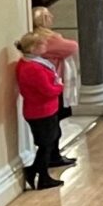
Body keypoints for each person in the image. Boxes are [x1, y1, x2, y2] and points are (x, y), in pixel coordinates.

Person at [15, 30, 66, 190]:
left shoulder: (33, 63)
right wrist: (60, 86)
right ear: (32, 48)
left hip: (44, 109)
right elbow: (47, 90)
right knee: (46, 144)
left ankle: (36, 172)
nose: (45, 45)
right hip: (40, 111)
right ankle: (41, 175)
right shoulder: (32, 68)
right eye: (42, 44)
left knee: (51, 139)